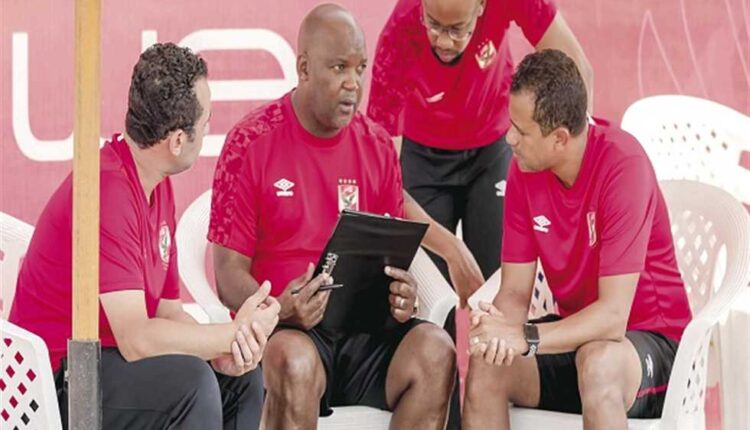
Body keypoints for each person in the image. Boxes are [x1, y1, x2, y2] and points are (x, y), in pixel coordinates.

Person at [209, 4, 456, 429]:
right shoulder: (250, 142)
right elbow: (227, 276)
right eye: (339, 67)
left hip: (367, 337)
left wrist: (404, 297)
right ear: (304, 68)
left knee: (437, 352)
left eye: (360, 68)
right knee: (295, 361)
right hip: (289, 333)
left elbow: (395, 255)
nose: (353, 83)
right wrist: (279, 308)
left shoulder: (378, 146)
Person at [9, 43, 279, 429]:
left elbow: (168, 312)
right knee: (192, 385)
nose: (208, 130)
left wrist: (223, 350)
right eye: (206, 121)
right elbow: (137, 338)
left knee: (240, 380)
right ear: (177, 140)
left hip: (106, 360)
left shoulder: (155, 182)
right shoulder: (107, 191)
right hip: (52, 380)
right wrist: (229, 333)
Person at [462, 49, 692, 430]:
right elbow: (515, 291)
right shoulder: (524, 170)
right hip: (577, 340)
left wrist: (525, 336)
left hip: (652, 346)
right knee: (488, 366)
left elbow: (613, 318)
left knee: (598, 364)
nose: (509, 138)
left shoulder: (623, 166)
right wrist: (498, 331)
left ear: (560, 138)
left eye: (522, 131)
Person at [367, 0, 594, 287]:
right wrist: (452, 249)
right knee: (429, 295)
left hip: (492, 145)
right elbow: (382, 178)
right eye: (433, 25)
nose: (443, 41)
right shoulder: (399, 35)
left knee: (498, 284)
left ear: (482, 6)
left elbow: (578, 69)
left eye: (457, 29)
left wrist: (579, 181)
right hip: (423, 154)